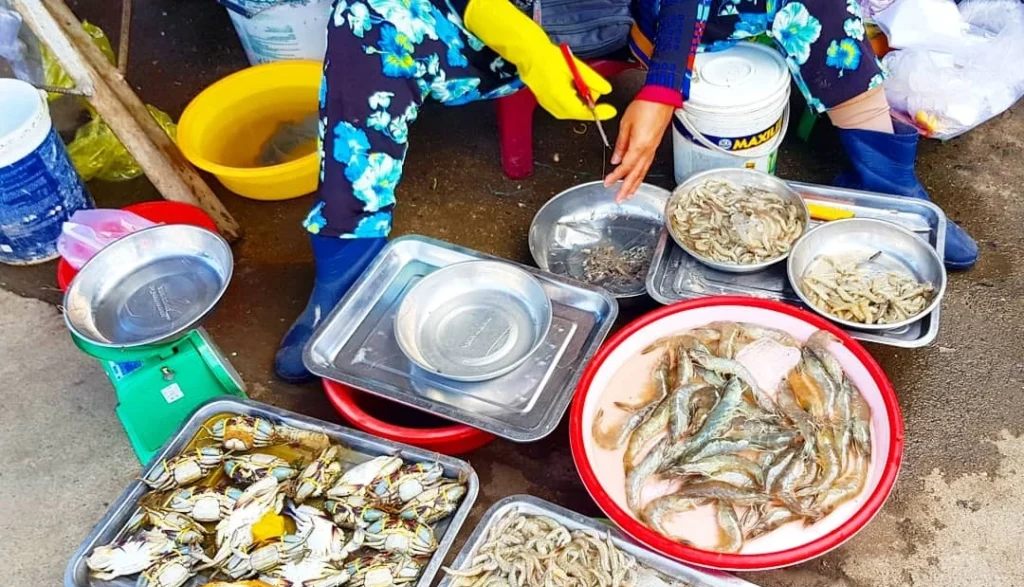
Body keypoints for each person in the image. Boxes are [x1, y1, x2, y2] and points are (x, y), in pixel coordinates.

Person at [274, 0, 977, 381]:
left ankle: (894, 194)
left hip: (662, 13)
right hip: (506, 22)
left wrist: (664, 84)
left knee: (814, 4)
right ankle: (346, 267)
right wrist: (522, 42)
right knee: (366, 20)